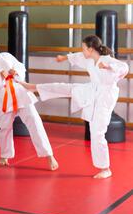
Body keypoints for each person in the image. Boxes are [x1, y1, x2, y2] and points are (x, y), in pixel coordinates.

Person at [20, 35, 128, 179]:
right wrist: (63, 58)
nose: (82, 51)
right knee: (67, 88)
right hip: (91, 90)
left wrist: (108, 66)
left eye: (84, 48)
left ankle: (105, 168)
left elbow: (124, 68)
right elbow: (77, 56)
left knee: (97, 133)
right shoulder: (89, 60)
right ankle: (34, 87)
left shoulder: (107, 60)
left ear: (90, 49)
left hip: (105, 97)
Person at [0, 34, 58, 170]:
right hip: (3, 98)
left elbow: (21, 68)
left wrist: (16, 72)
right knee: (5, 127)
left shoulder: (7, 57)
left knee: (35, 122)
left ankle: (49, 155)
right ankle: (5, 155)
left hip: (20, 93)